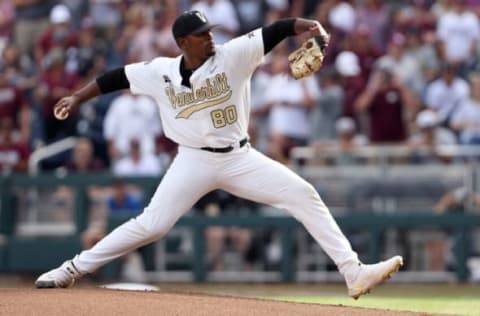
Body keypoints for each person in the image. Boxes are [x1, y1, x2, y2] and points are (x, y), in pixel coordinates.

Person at [34, 10, 403, 299]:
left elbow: (276, 29)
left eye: (210, 31)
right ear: (182, 42)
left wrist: (311, 26)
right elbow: (116, 77)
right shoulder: (159, 71)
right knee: (153, 225)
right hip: (192, 160)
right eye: (201, 34)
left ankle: (353, 272)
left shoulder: (232, 56)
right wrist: (76, 97)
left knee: (302, 194)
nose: (210, 37)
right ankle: (70, 270)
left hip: (239, 158)